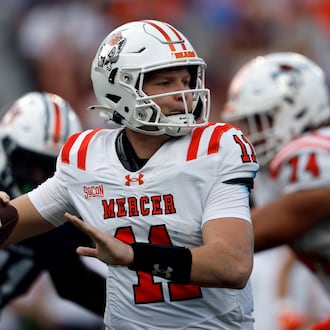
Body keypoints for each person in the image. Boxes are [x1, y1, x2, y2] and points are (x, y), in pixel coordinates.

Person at [0, 20, 259, 329]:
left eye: (186, 80)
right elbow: (14, 223)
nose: (184, 94)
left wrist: (132, 255)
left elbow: (232, 265)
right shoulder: (86, 157)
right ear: (119, 88)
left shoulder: (216, 147)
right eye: (165, 83)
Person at [222, 52, 330, 329]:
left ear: (296, 108)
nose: (249, 134)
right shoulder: (283, 167)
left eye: (260, 119)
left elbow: (239, 239)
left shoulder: (308, 152)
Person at [0, 91, 106, 329]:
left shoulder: (58, 214)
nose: (39, 180)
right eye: (32, 165)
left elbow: (71, 281)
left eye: (51, 170)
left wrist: (144, 314)